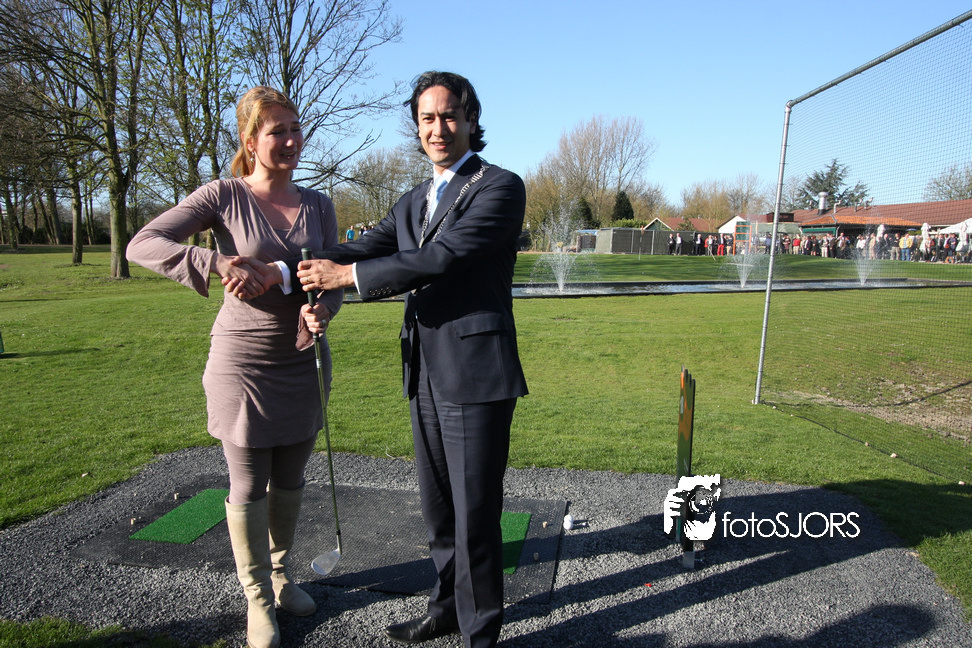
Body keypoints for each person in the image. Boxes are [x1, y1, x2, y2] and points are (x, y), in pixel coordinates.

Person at [292, 71, 527, 648]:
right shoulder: (414, 199)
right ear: (416, 127)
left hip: (476, 374)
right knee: (439, 509)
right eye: (427, 118)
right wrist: (285, 268)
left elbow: (443, 257)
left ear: (471, 120)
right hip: (423, 372)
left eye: (449, 116)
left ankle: (480, 634)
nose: (437, 128)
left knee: (475, 515)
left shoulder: (499, 187)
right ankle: (445, 609)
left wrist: (346, 277)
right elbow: (363, 245)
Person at [127, 86, 343, 648]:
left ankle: (281, 576)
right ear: (250, 141)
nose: (291, 140)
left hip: (302, 359)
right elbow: (143, 244)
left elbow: (333, 272)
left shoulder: (319, 204)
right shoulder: (223, 195)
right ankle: (257, 600)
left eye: (295, 128)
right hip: (242, 362)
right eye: (277, 131)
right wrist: (216, 260)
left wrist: (324, 308)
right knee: (248, 481)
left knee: (291, 478)